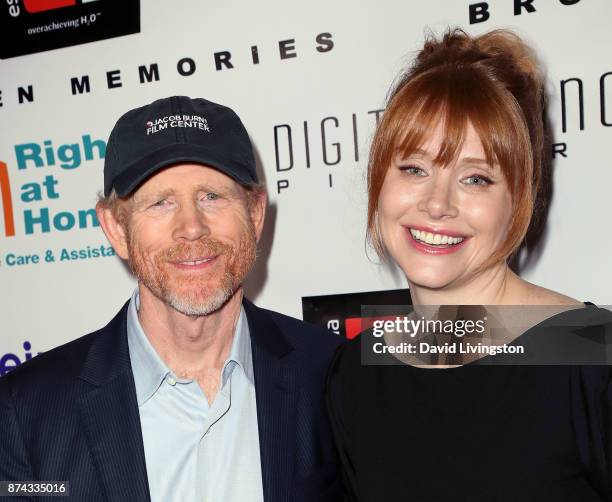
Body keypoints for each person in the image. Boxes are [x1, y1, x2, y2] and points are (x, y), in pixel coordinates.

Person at [0, 96, 343, 502]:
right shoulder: (25, 412)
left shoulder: (331, 374)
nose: (191, 228)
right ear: (115, 229)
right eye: (160, 203)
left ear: (254, 214)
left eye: (212, 197)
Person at [326, 29, 612, 501]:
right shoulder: (355, 374)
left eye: (476, 178)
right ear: (379, 181)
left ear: (518, 199)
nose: (437, 204)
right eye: (414, 169)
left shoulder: (591, 354)